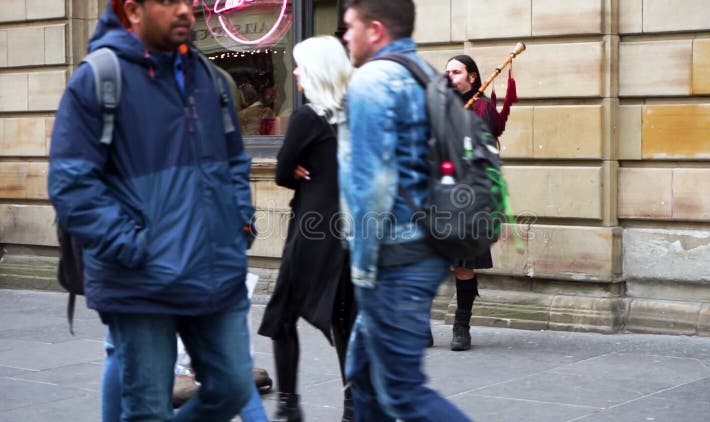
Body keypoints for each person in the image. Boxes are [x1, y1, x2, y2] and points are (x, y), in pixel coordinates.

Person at [48, 0, 258, 420]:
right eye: (168, 1)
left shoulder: (210, 78)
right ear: (133, 10)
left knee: (234, 386)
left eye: (189, 1)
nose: (185, 10)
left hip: (214, 265)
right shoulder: (98, 79)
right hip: (141, 279)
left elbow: (235, 160)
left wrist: (240, 221)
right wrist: (132, 245)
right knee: (147, 408)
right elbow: (71, 183)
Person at [338, 1, 472, 420]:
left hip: (394, 256)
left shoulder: (372, 81)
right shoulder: (428, 76)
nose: (344, 36)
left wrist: (361, 267)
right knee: (363, 376)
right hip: (430, 245)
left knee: (401, 392)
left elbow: (372, 185)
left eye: (349, 26)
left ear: (375, 30)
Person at [257, 35, 356, 422]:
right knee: (344, 317)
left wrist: (300, 171)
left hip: (311, 229)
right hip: (349, 228)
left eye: (300, 65)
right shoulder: (357, 114)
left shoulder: (306, 117)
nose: (295, 72)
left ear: (315, 71)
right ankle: (353, 405)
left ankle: (288, 404)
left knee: (283, 314)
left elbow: (283, 171)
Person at [441, 54, 504, 351]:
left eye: (456, 72)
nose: (450, 76)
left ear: (473, 77)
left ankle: (461, 326)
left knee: (462, 266)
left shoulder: (483, 108)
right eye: (447, 72)